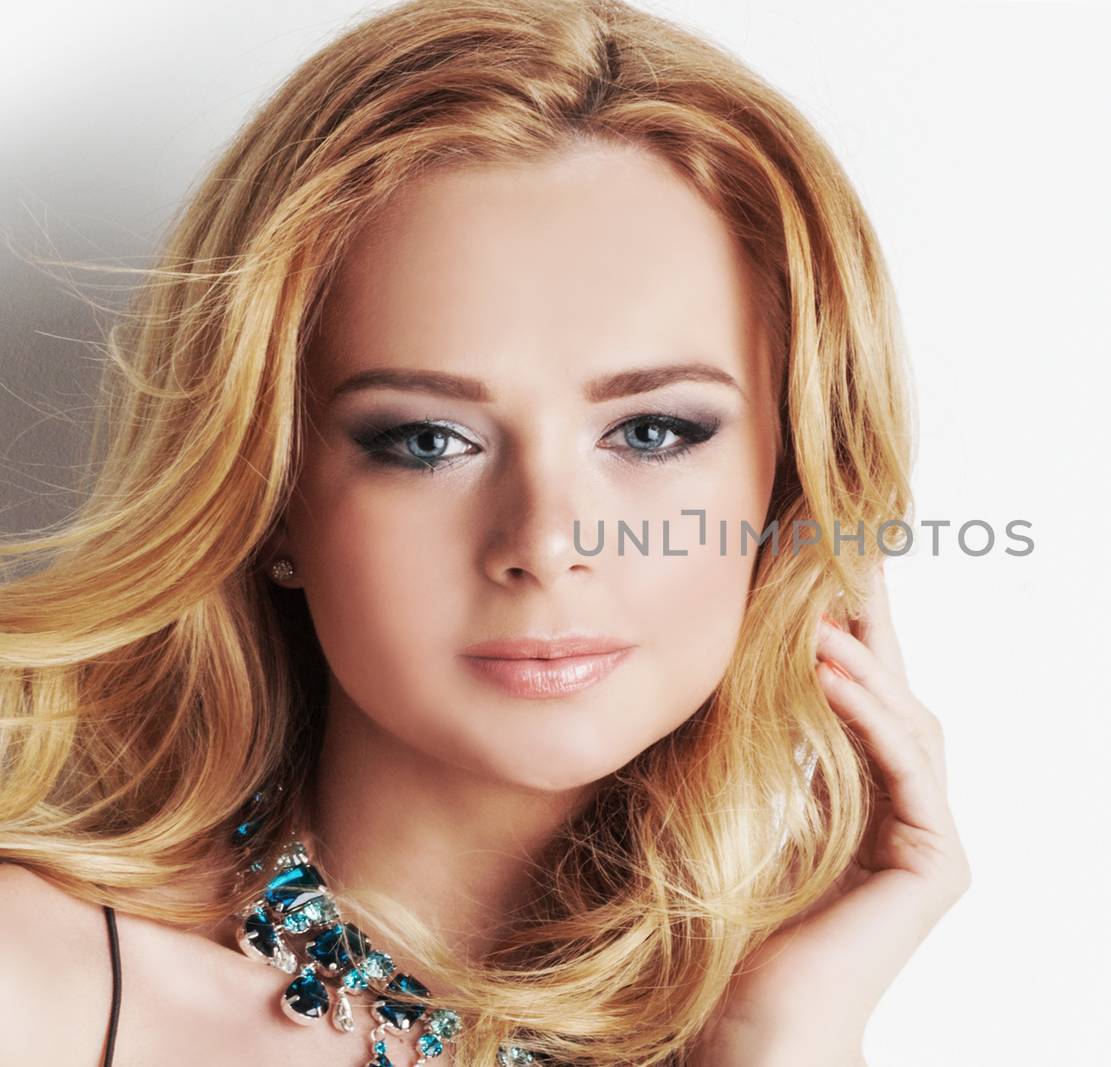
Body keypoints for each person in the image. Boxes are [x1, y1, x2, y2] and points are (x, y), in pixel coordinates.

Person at [0, 1, 970, 1064]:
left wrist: (779, 1040)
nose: (547, 541)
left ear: (784, 492)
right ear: (269, 490)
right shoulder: (42, 988)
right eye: (425, 439)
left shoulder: (791, 1010)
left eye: (650, 430)